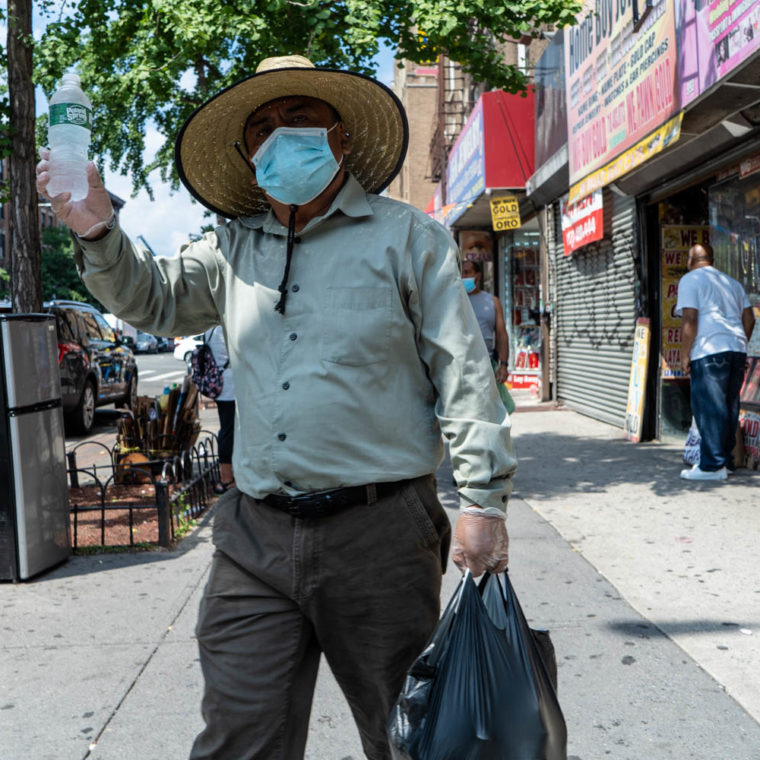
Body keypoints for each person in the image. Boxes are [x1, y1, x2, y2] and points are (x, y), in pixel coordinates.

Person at [36, 55, 516, 760]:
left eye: (299, 118)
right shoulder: (231, 246)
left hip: (381, 535)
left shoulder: (407, 237)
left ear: (342, 137)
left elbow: (464, 370)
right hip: (254, 539)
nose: (279, 135)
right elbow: (152, 300)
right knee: (239, 737)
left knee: (409, 736)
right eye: (261, 127)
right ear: (248, 155)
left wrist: (483, 500)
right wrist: (97, 230)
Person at [676, 243, 755, 481]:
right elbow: (749, 319)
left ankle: (711, 466)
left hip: (709, 349)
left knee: (709, 408)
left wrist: (684, 354)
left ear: (691, 261)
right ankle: (726, 462)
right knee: (729, 406)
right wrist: (739, 343)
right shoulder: (731, 282)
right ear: (711, 259)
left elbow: (690, 319)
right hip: (735, 349)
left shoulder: (690, 280)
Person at [462, 258, 515, 414]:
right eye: (460, 273)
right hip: (462, 364)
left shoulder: (492, 301)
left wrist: (503, 364)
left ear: (477, 276)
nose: (463, 277)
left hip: (487, 363)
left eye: (467, 273)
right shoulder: (453, 301)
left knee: (493, 411)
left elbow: (501, 334)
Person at [203, 325, 236, 493]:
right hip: (232, 385)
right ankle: (227, 479)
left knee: (227, 430)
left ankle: (227, 477)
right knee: (230, 431)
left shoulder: (210, 328)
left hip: (220, 386)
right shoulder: (225, 328)